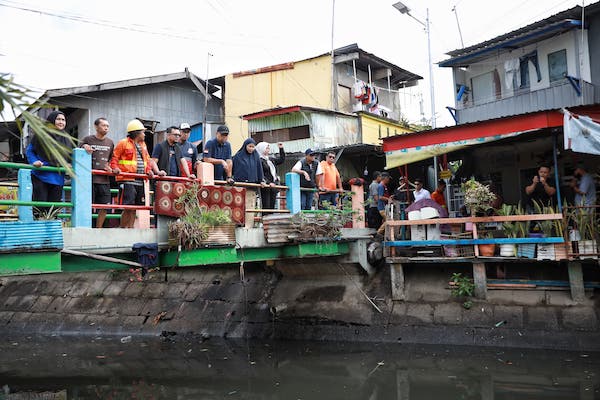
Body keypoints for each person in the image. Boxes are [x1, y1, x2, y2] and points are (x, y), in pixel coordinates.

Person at [110, 119, 165, 228]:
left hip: (140, 180)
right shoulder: (123, 143)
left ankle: (130, 230)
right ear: (136, 133)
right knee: (128, 207)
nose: (144, 134)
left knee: (135, 207)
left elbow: (147, 160)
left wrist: (149, 170)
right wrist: (115, 168)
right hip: (127, 179)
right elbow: (114, 158)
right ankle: (122, 230)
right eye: (143, 132)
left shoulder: (143, 145)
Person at [26, 110, 75, 217]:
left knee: (54, 208)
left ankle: (51, 232)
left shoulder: (67, 138)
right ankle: (38, 230)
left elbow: (71, 155)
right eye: (58, 119)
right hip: (41, 174)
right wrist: (34, 161)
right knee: (40, 204)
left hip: (58, 177)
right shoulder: (41, 134)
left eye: (63, 120)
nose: (61, 122)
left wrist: (69, 163)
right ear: (51, 120)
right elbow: (30, 150)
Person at [81, 117, 114, 228]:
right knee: (87, 205)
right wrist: (84, 146)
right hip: (89, 179)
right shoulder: (88, 139)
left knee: (104, 206)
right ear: (96, 127)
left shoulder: (110, 142)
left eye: (107, 126)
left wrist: (110, 167)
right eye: (103, 125)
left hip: (104, 180)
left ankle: (98, 229)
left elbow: (111, 159)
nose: (106, 128)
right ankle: (87, 228)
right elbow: (77, 151)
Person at [255, 141, 285, 209]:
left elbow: (281, 160)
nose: (268, 149)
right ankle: (264, 219)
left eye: (268, 148)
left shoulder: (270, 159)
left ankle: (271, 219)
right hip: (266, 186)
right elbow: (260, 173)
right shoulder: (259, 160)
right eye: (266, 148)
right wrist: (268, 182)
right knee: (266, 206)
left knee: (272, 206)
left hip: (273, 186)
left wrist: (281, 149)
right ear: (261, 149)